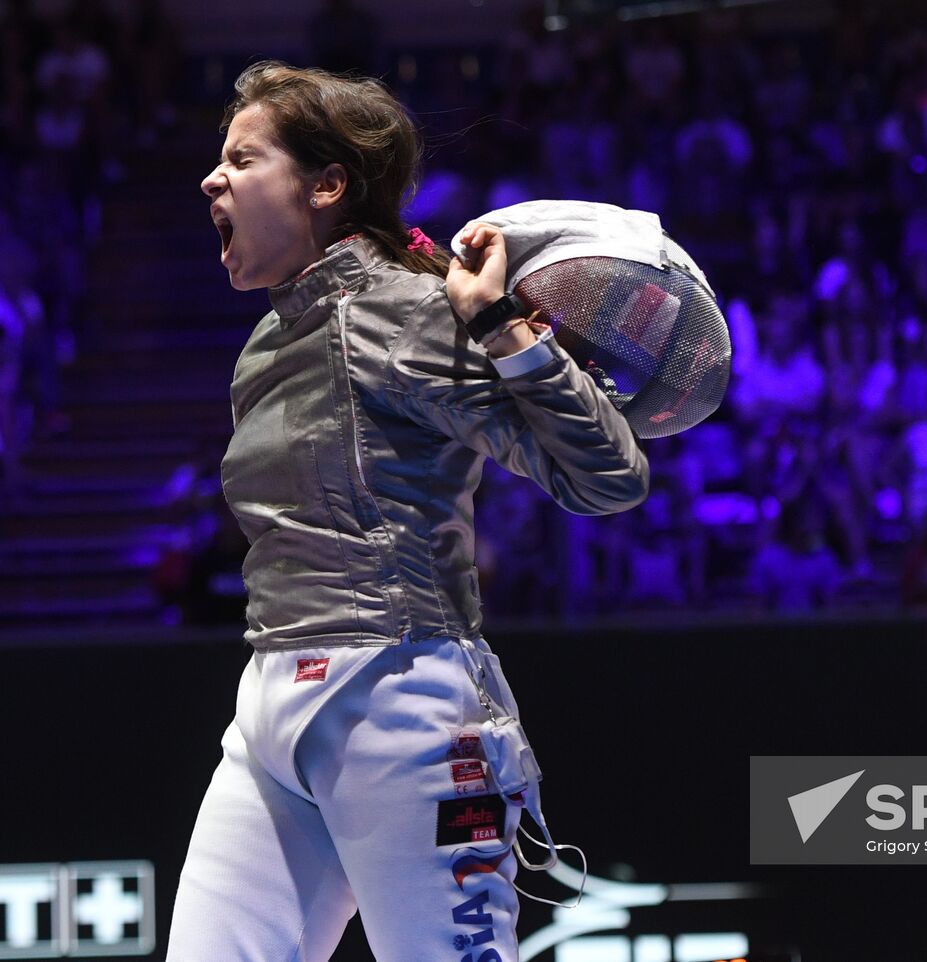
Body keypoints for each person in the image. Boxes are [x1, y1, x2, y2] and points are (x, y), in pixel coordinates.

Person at [168, 62, 648, 962]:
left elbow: (608, 477)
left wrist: (504, 327)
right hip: (272, 702)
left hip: (401, 701)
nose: (212, 179)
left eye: (241, 158)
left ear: (326, 184)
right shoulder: (269, 342)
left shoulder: (406, 315)